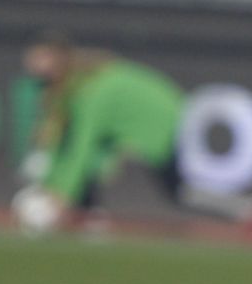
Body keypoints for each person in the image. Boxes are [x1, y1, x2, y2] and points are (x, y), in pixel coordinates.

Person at [13, 34, 185, 233]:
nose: (42, 89)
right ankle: (91, 217)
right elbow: (64, 146)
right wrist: (51, 185)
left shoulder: (90, 91)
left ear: (61, 66)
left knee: (182, 193)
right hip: (160, 129)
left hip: (170, 130)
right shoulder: (77, 87)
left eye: (45, 80)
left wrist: (59, 197)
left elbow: (81, 149)